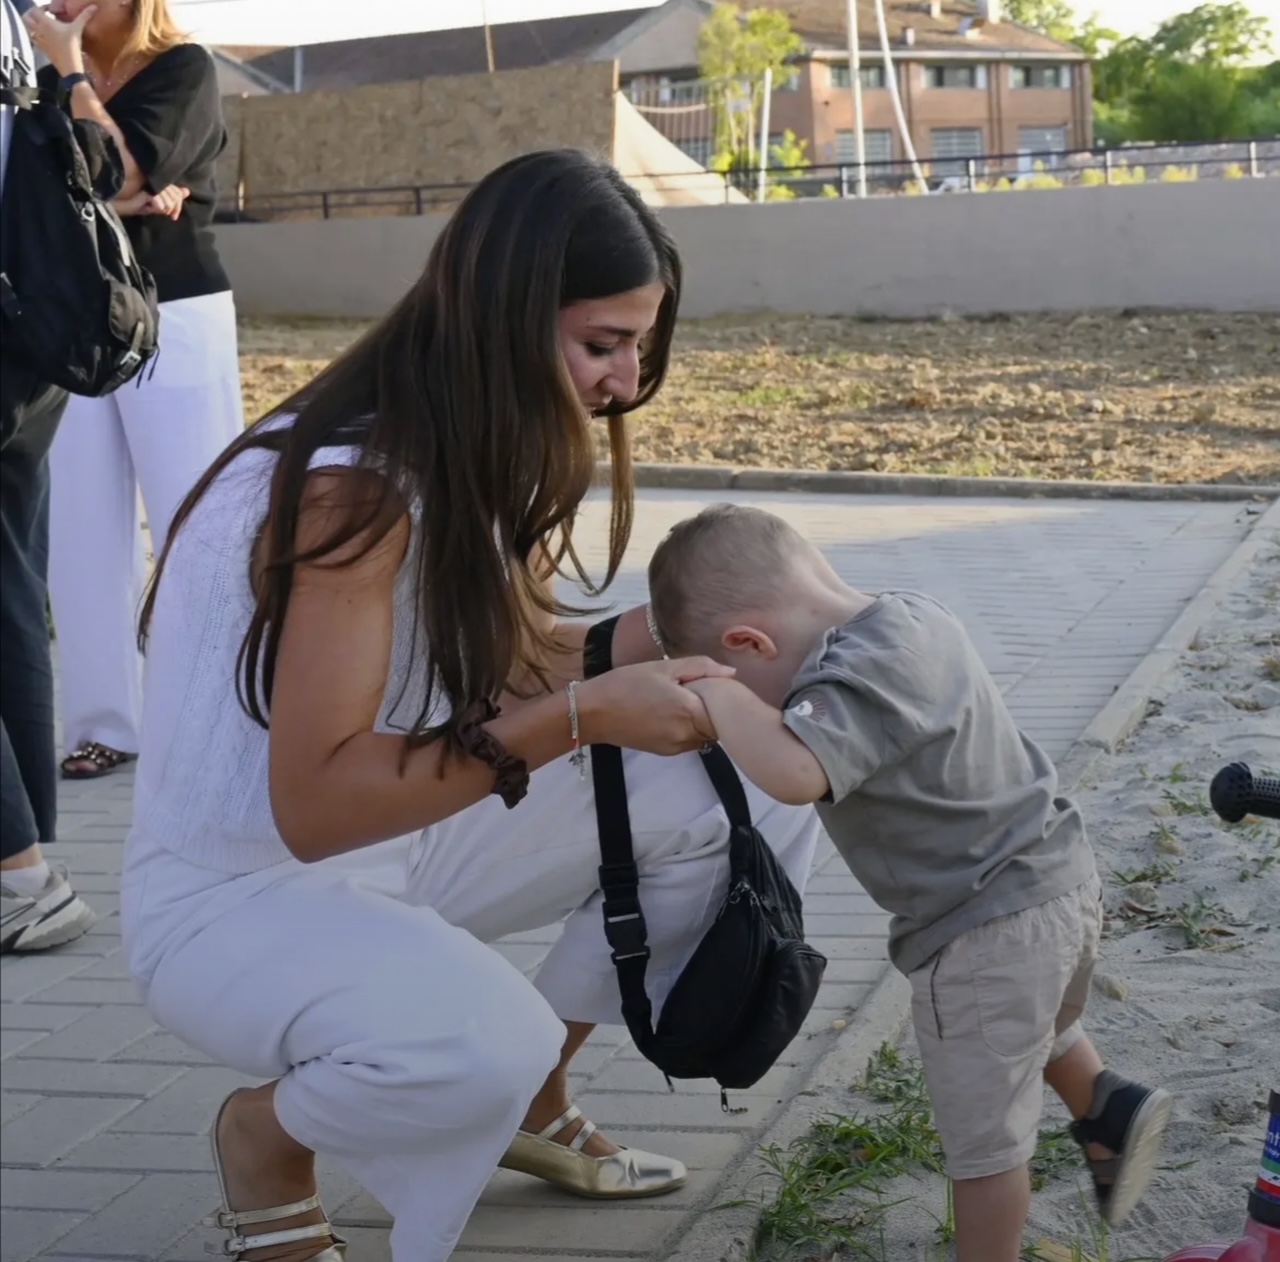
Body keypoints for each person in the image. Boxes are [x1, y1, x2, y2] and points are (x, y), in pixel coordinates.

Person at [119, 151, 820, 1262]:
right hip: (234, 897)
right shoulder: (349, 486)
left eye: (641, 344)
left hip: (389, 841)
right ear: (502, 320)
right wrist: (586, 713)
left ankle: (532, 1102)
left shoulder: (452, 441)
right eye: (602, 343)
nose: (628, 382)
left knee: (738, 776)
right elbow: (315, 805)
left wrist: (729, 638)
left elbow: (503, 666)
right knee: (476, 1044)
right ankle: (268, 1135)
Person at [646, 503, 1173, 1262]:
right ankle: (1105, 1109)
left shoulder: (848, 680)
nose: (766, 708)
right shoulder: (910, 615)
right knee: (1032, 1026)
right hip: (1058, 881)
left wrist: (720, 698)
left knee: (984, 1145)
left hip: (984, 925)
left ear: (748, 643)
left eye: (748, 683)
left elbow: (795, 772)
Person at [25, 0, 244, 780]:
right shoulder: (41, 78)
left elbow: (112, 170)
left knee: (198, 518)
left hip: (176, 310)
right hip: (79, 318)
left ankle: (218, 714)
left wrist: (75, 76)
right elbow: (53, 187)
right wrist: (109, 184)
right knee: (81, 533)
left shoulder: (185, 70)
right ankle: (104, 726)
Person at [0, 0, 95, 952]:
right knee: (12, 592)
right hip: (33, 335)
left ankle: (17, 871)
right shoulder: (25, 29)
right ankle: (30, 857)